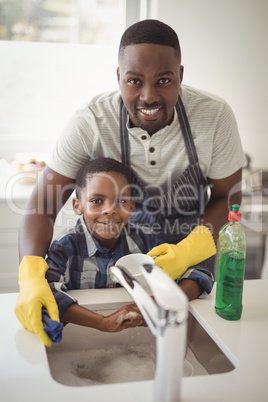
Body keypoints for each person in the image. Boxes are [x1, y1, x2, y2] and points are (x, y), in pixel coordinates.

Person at [15, 19, 244, 345]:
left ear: (180, 74)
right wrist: (30, 274)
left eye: (164, 80)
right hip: (124, 264)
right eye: (134, 81)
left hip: (188, 267)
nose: (148, 97)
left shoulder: (215, 117)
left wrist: (189, 251)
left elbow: (228, 198)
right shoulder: (89, 123)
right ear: (118, 77)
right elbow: (42, 205)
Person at [45, 157, 214, 333]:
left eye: (121, 201)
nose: (110, 209)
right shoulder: (65, 247)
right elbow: (48, 295)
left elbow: (199, 275)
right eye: (97, 201)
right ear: (77, 206)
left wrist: (153, 305)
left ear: (132, 206)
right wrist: (103, 322)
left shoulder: (145, 241)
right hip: (80, 336)